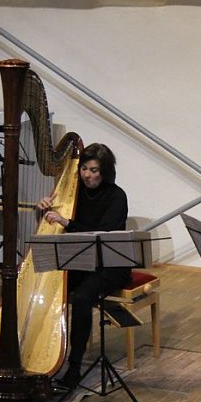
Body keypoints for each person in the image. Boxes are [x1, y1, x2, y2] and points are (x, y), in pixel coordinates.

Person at [37, 142, 131, 389]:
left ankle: (74, 366)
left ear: (105, 172)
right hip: (80, 260)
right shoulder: (72, 192)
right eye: (84, 169)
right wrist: (44, 209)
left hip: (110, 265)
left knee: (81, 298)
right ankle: (40, 353)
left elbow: (102, 234)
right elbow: (52, 225)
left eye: (94, 170)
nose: (87, 175)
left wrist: (67, 222)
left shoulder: (116, 196)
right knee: (47, 287)